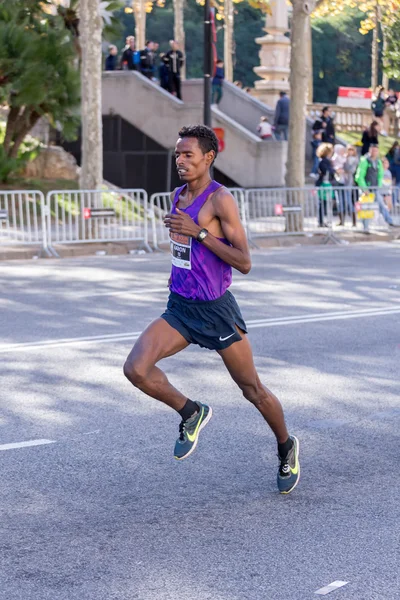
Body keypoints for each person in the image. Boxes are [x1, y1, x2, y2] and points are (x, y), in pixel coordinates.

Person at [123, 124, 300, 495]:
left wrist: (199, 232)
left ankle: (286, 446)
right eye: (177, 154)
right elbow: (185, 250)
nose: (180, 160)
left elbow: (244, 262)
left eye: (188, 154)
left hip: (216, 311)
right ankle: (191, 411)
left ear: (208, 157)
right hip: (181, 307)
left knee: (252, 389)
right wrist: (181, 239)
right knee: (136, 369)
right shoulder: (177, 196)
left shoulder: (221, 200)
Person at [355, 144, 396, 231]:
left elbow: (380, 175)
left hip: (375, 188)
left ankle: (389, 221)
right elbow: (359, 176)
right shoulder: (365, 161)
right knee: (366, 208)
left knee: (381, 205)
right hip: (366, 189)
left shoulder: (378, 162)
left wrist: (379, 185)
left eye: (376, 151)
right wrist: (364, 188)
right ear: (370, 150)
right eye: (373, 150)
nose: (374, 152)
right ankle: (365, 227)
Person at [316, 142, 335, 227]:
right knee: (323, 204)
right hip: (323, 184)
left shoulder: (327, 161)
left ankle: (325, 221)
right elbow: (326, 171)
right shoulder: (323, 161)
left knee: (326, 203)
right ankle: (321, 221)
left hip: (327, 184)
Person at [343, 145, 359, 227]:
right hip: (345, 182)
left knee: (351, 201)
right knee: (346, 201)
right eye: (349, 150)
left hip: (352, 183)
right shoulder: (344, 159)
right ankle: (344, 219)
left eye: (352, 150)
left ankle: (354, 220)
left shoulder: (355, 160)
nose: (350, 152)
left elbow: (351, 170)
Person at [332, 144, 347, 226]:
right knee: (339, 201)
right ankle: (341, 219)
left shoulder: (345, 158)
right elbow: (336, 169)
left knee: (344, 201)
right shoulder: (334, 159)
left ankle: (343, 218)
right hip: (337, 182)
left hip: (344, 181)